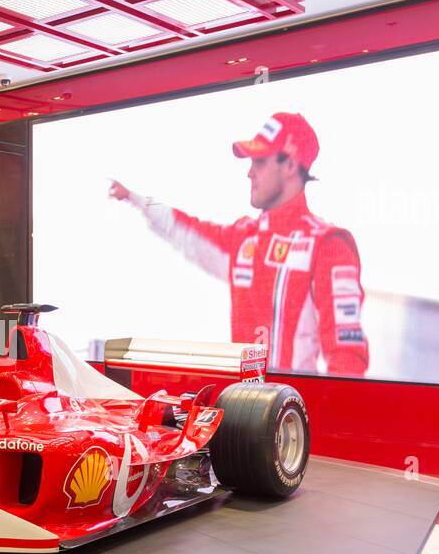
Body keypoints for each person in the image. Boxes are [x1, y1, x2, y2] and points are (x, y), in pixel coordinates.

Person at [108, 112, 369, 375]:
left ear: (290, 165)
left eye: (260, 161)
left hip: (295, 413)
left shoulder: (328, 244)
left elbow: (347, 358)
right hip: (243, 407)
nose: (249, 172)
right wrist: (135, 198)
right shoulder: (243, 238)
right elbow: (187, 230)